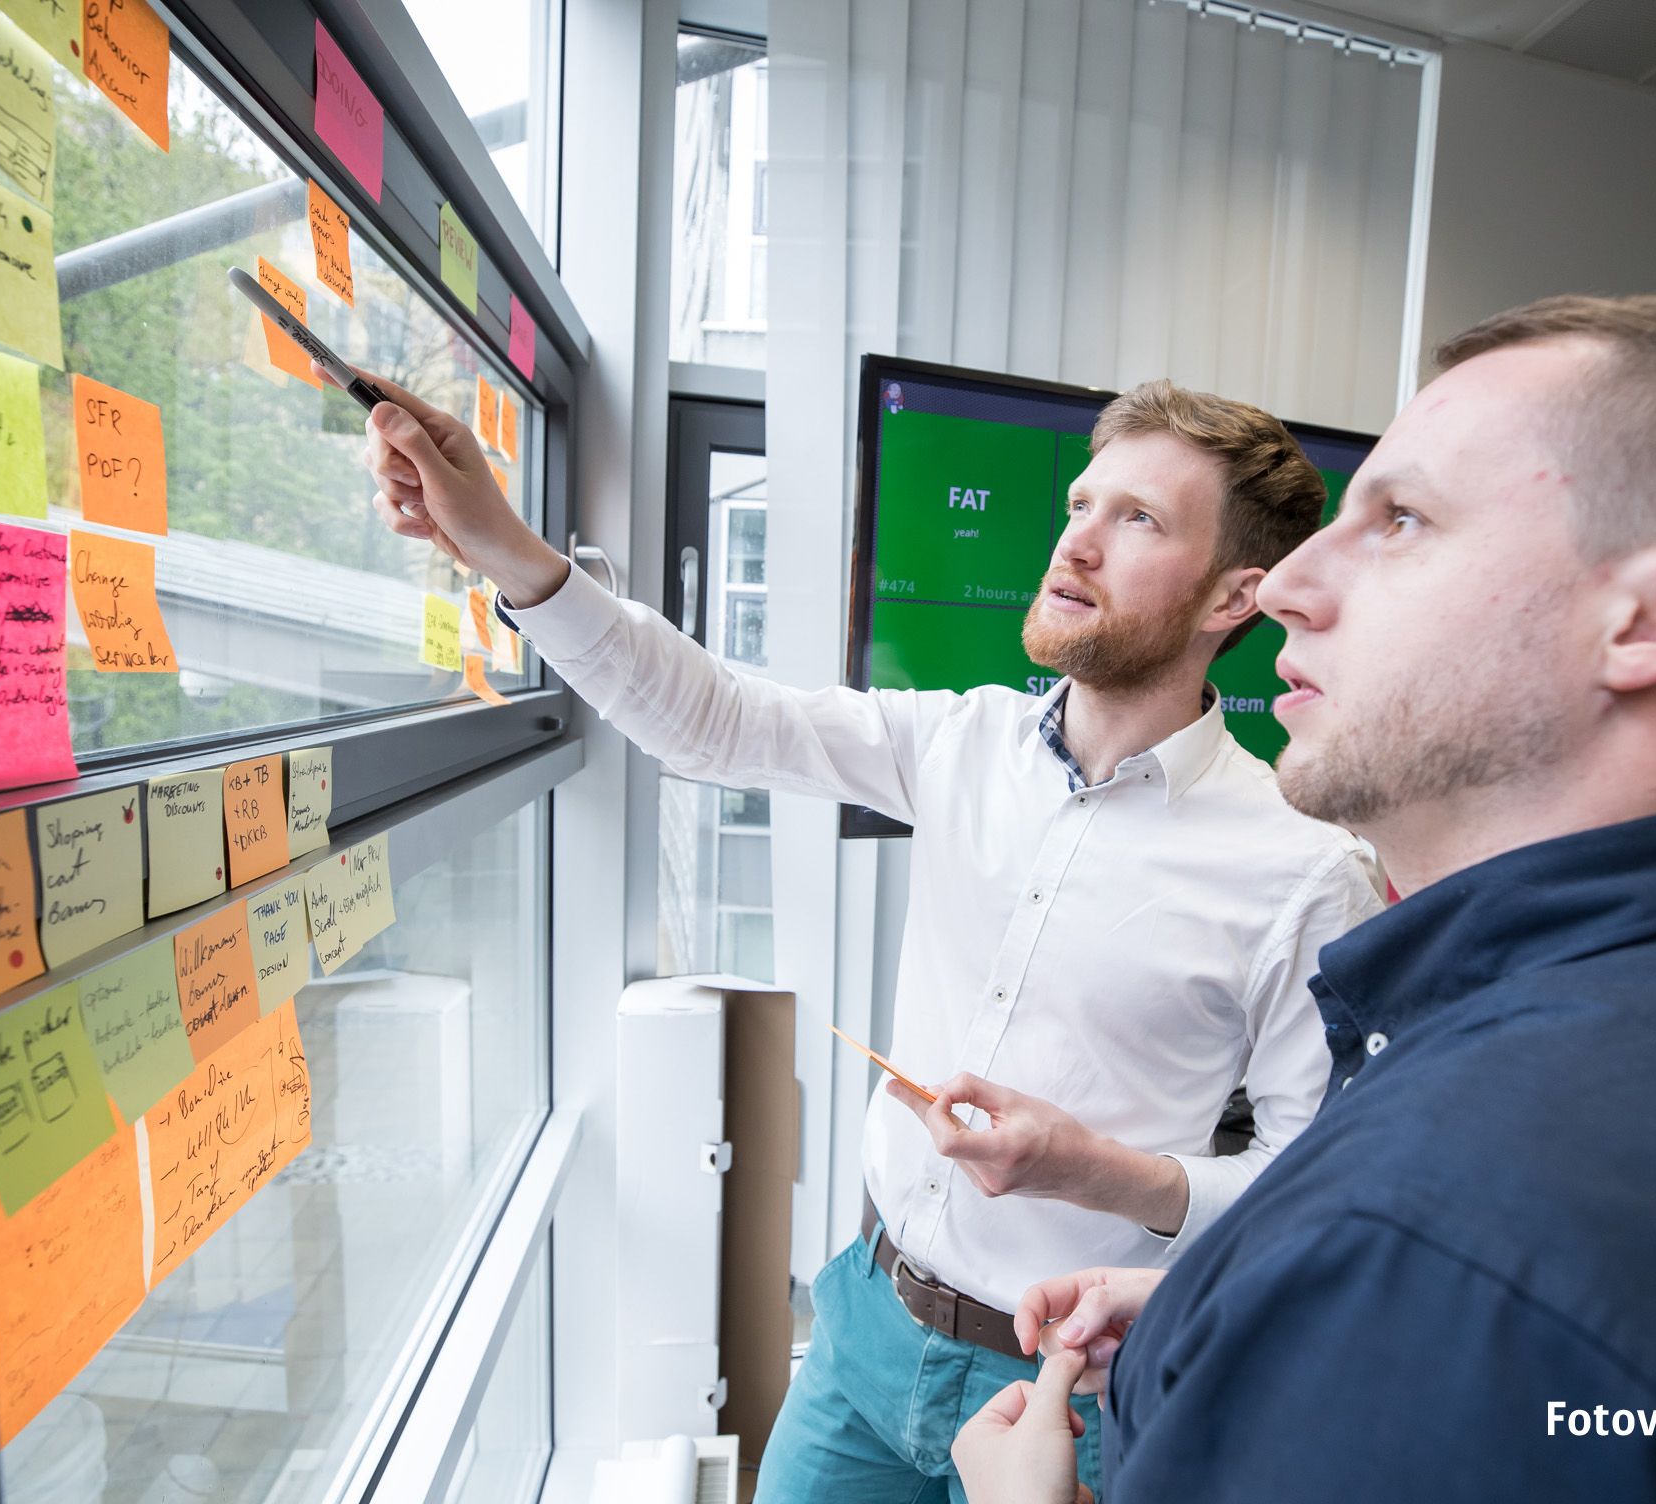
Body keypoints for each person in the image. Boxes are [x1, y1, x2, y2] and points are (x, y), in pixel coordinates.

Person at [950, 294, 1656, 1502]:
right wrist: (1255, 1308)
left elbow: (1478, 1292)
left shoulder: (1438, 1236)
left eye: (1400, 519)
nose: (1284, 585)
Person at [355, 371, 1382, 1501]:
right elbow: (709, 720)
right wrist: (503, 548)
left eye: (1137, 519)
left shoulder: (1303, 868)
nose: (1076, 543)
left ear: (1235, 597)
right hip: (864, 1328)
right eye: (1081, 504)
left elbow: (1310, 1188)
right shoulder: (960, 742)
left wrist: (1098, 1172)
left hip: (1072, 1388)